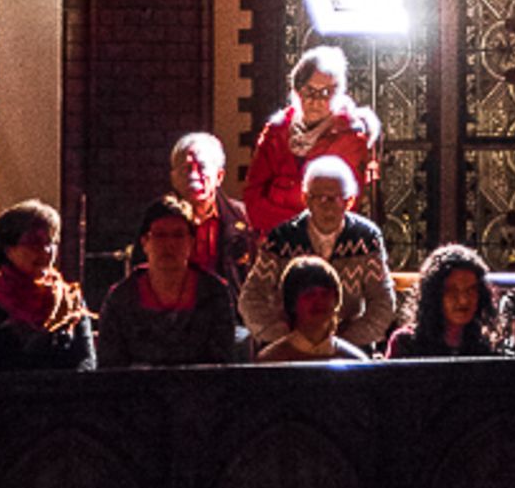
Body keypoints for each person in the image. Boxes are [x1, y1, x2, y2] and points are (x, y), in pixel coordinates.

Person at [240, 156, 395, 352]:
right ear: (305, 199)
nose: (326, 206)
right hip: (288, 349)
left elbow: (383, 302)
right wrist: (288, 338)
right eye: (317, 197)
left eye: (333, 198)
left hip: (350, 348)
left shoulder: (366, 238)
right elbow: (251, 298)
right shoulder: (281, 239)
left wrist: (341, 343)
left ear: (349, 201)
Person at [243, 46, 380, 237]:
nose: (316, 100)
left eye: (325, 92)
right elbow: (253, 202)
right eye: (309, 90)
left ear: (338, 94)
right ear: (297, 91)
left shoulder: (350, 139)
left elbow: (342, 210)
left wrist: (289, 221)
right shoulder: (276, 132)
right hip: (274, 247)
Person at [97, 196, 237, 368]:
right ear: (145, 243)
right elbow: (110, 368)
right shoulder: (121, 299)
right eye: (160, 235)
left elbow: (221, 364)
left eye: (178, 235)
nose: (169, 244)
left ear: (191, 242)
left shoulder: (214, 293)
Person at [0, 200, 95, 372]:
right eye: (34, 243)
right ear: (8, 249)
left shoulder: (71, 301)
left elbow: (86, 361)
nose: (46, 251)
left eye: (51, 242)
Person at [168, 131, 252, 306]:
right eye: (186, 169)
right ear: (174, 179)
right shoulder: (160, 221)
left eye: (202, 167)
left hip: (233, 322)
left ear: (219, 176)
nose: (194, 176)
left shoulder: (244, 219)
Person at [385, 244, 501, 359]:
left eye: (470, 290)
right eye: (452, 290)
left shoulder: (487, 346)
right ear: (434, 294)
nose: (463, 300)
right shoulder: (406, 344)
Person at [257, 256, 369, 364]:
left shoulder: (354, 361)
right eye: (309, 295)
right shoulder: (271, 361)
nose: (319, 301)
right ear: (292, 302)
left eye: (325, 294)